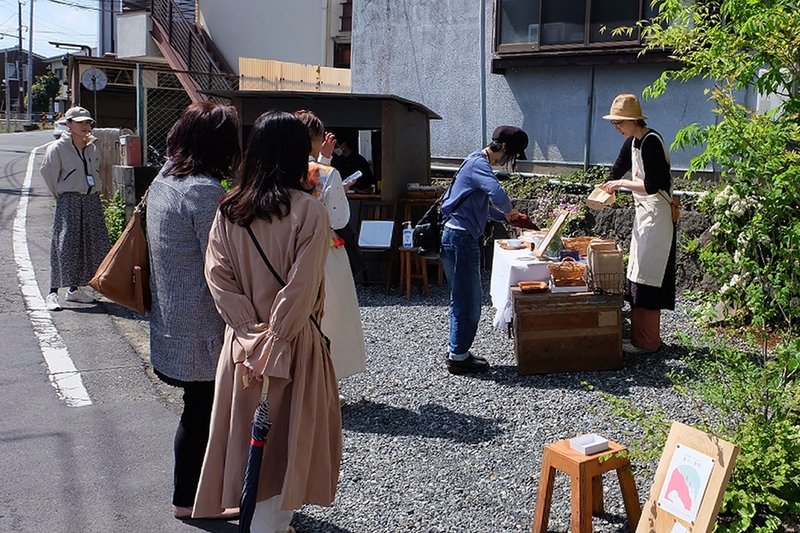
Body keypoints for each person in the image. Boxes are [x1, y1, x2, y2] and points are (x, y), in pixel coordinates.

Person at [193, 111, 342, 532]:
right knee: (287, 449)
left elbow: (217, 277)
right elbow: (301, 287)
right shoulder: (308, 212)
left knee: (246, 447)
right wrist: (274, 338)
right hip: (292, 350)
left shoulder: (229, 209)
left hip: (242, 352)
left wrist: (247, 331)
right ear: (299, 153)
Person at [145, 102, 241, 519]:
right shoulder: (204, 193)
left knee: (197, 410)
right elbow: (223, 265)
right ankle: (190, 501)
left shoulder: (166, 179)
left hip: (172, 324)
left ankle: (194, 496)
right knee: (203, 413)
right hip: (203, 331)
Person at [440, 126, 526, 375]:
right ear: (507, 150)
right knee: (470, 299)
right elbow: (497, 193)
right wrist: (509, 211)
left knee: (462, 296)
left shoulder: (473, 160)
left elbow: (481, 207)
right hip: (461, 238)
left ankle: (457, 350)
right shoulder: (479, 164)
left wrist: (504, 218)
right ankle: (458, 356)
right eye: (515, 156)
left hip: (455, 234)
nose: (511, 162)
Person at [600, 93, 676, 354]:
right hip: (644, 214)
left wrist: (620, 184)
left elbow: (652, 185)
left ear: (633, 120)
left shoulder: (651, 142)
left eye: (619, 123)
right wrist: (606, 185)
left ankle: (647, 342)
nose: (616, 128)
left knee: (648, 274)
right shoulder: (633, 141)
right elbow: (619, 167)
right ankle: (640, 339)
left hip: (657, 216)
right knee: (635, 271)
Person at [295, 110, 366, 384]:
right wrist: (338, 192)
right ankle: (324, 387)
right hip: (323, 251)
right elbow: (338, 218)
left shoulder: (274, 169)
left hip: (285, 250)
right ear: (314, 138)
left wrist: (323, 159)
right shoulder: (326, 174)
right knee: (330, 318)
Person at [40, 106, 110, 311]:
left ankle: (74, 289)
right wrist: (64, 195)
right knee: (65, 245)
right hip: (69, 200)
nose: (85, 126)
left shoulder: (92, 147)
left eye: (87, 122)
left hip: (91, 200)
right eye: (79, 122)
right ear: (68, 123)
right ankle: (52, 292)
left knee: (93, 243)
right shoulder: (57, 148)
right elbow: (49, 175)